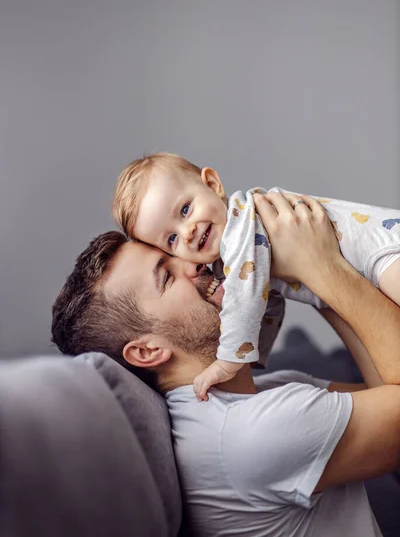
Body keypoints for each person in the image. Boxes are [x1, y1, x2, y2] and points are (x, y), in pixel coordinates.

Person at [52, 191, 400, 537]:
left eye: (174, 253)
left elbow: (388, 388)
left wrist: (312, 282)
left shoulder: (258, 395)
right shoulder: (250, 434)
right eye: (168, 276)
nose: (195, 262)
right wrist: (323, 269)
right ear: (147, 351)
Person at [112, 152, 400, 399]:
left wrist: (228, 362)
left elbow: (246, 300)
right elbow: (267, 300)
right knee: (384, 385)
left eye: (186, 210)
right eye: (172, 239)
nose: (187, 232)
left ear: (212, 184)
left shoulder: (241, 229)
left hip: (382, 248)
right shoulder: (231, 258)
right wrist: (259, 351)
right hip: (359, 275)